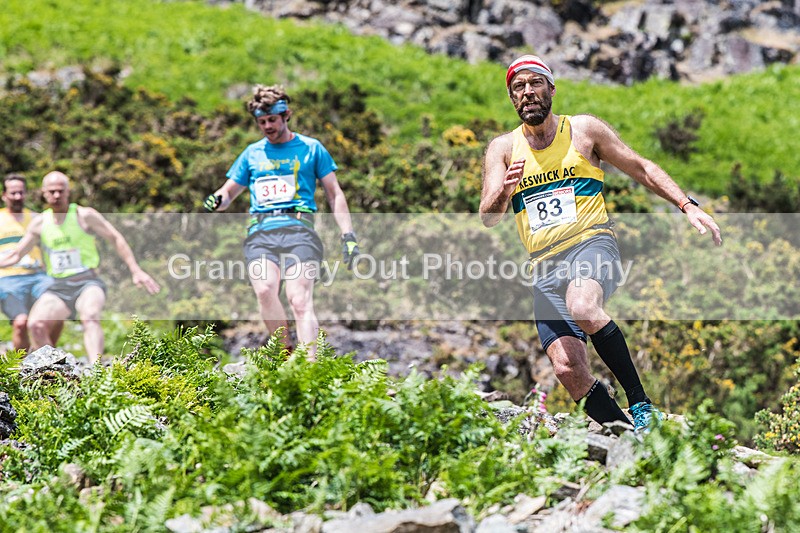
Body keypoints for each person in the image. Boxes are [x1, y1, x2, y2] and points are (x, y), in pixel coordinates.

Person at [479, 55, 722, 432]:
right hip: (543, 265)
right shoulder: (503, 149)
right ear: (512, 98)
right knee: (567, 368)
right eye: (518, 87)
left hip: (590, 244)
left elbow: (640, 167)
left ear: (551, 89)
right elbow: (488, 216)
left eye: (535, 83)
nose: (527, 92)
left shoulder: (583, 130)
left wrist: (687, 205)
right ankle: (627, 435)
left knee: (584, 308)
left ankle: (641, 404)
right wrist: (503, 192)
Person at [204, 84, 359, 358]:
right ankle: (286, 352)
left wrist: (348, 235)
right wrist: (217, 199)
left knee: (299, 299)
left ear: (286, 115)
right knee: (265, 290)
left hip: (300, 230)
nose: (267, 126)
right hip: (261, 232)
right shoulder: (252, 154)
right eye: (261, 122)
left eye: (272, 120)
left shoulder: (312, 148)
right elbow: (228, 193)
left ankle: (310, 364)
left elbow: (335, 194)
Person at [0, 171, 160, 363]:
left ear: (68, 191)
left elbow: (114, 237)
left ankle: (96, 371)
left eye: (61, 191)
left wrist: (135, 269)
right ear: (44, 193)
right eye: (52, 191)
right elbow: (16, 254)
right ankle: (56, 368)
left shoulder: (84, 215)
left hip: (87, 281)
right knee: (36, 324)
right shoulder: (40, 223)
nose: (57, 195)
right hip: (58, 286)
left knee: (90, 316)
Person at [0, 173, 61, 351]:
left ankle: (47, 357)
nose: (18, 197)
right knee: (20, 323)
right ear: (4, 195)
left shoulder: (37, 219)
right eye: (13, 193)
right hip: (7, 279)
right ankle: (20, 368)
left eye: (21, 192)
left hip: (38, 277)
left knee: (58, 310)